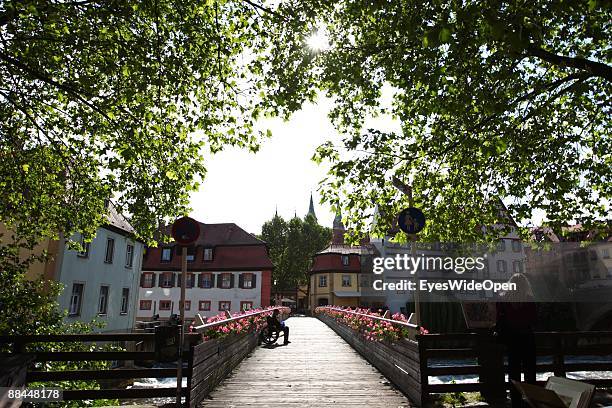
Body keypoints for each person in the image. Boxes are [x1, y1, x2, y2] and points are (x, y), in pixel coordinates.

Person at [495, 273, 537, 408]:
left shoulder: (503, 300)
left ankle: (516, 402)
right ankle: (531, 401)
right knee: (530, 372)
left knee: (514, 372)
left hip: (512, 340)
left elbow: (499, 321)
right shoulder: (529, 299)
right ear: (526, 285)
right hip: (527, 339)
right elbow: (534, 319)